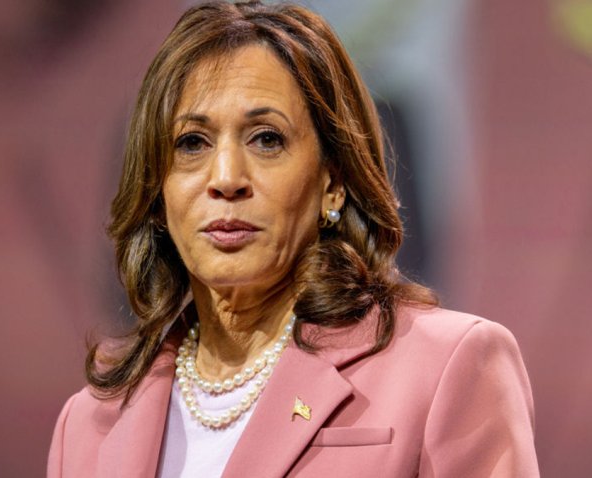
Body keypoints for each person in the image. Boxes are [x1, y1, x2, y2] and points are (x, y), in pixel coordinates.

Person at [47, 1, 539, 476]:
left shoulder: (449, 366)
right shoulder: (88, 425)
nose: (226, 178)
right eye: (192, 143)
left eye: (267, 138)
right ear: (157, 194)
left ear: (333, 181)